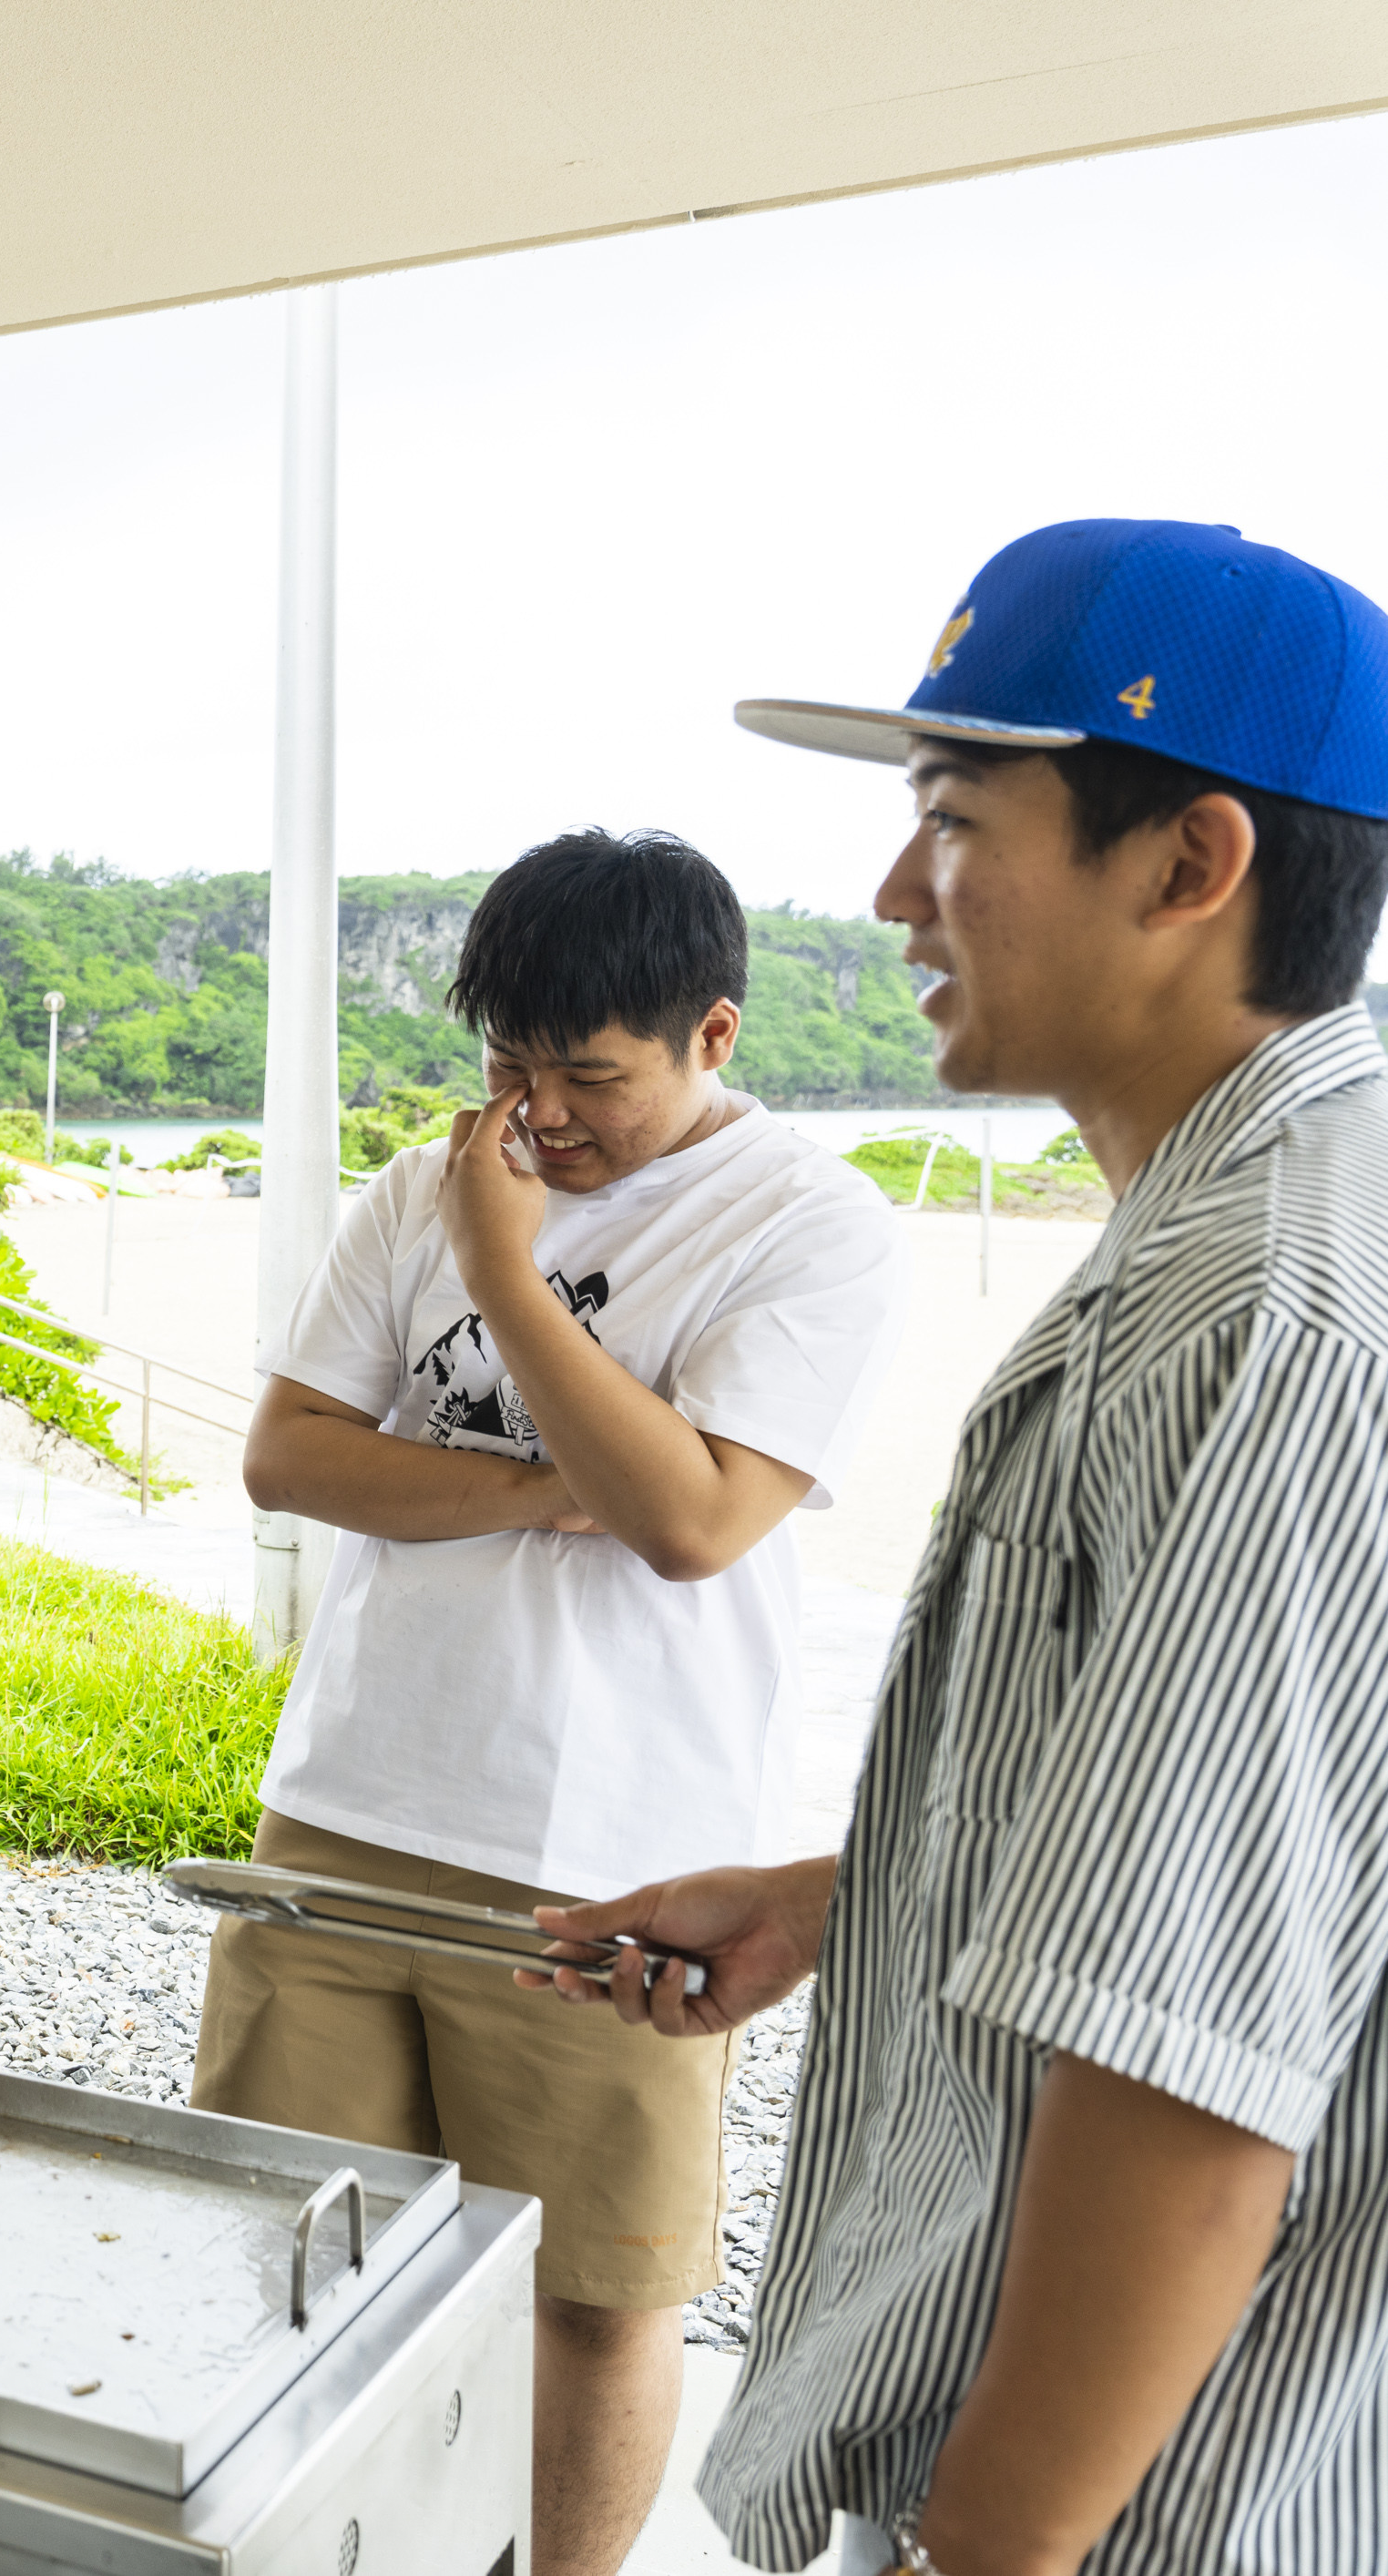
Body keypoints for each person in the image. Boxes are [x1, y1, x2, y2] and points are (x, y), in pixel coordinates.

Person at [536, 520, 1388, 2576]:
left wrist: (971, 2558)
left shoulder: (1265, 1306)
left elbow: (1189, 2081)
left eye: (948, 818)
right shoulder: (1262, 1215)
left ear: (1191, 865)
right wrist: (867, 1888)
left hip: (1140, 2514)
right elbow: (1286, 1835)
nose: (893, 892)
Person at [219, 829, 910, 2576]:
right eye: (508, 1067)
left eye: (589, 1075)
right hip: (345, 1799)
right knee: (282, 2255)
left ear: (714, 1036)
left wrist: (508, 1275)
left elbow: (690, 1517)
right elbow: (287, 1459)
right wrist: (546, 1485)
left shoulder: (809, 1219)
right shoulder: (425, 1179)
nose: (539, 1115)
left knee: (601, 2290)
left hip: (613, 1838)